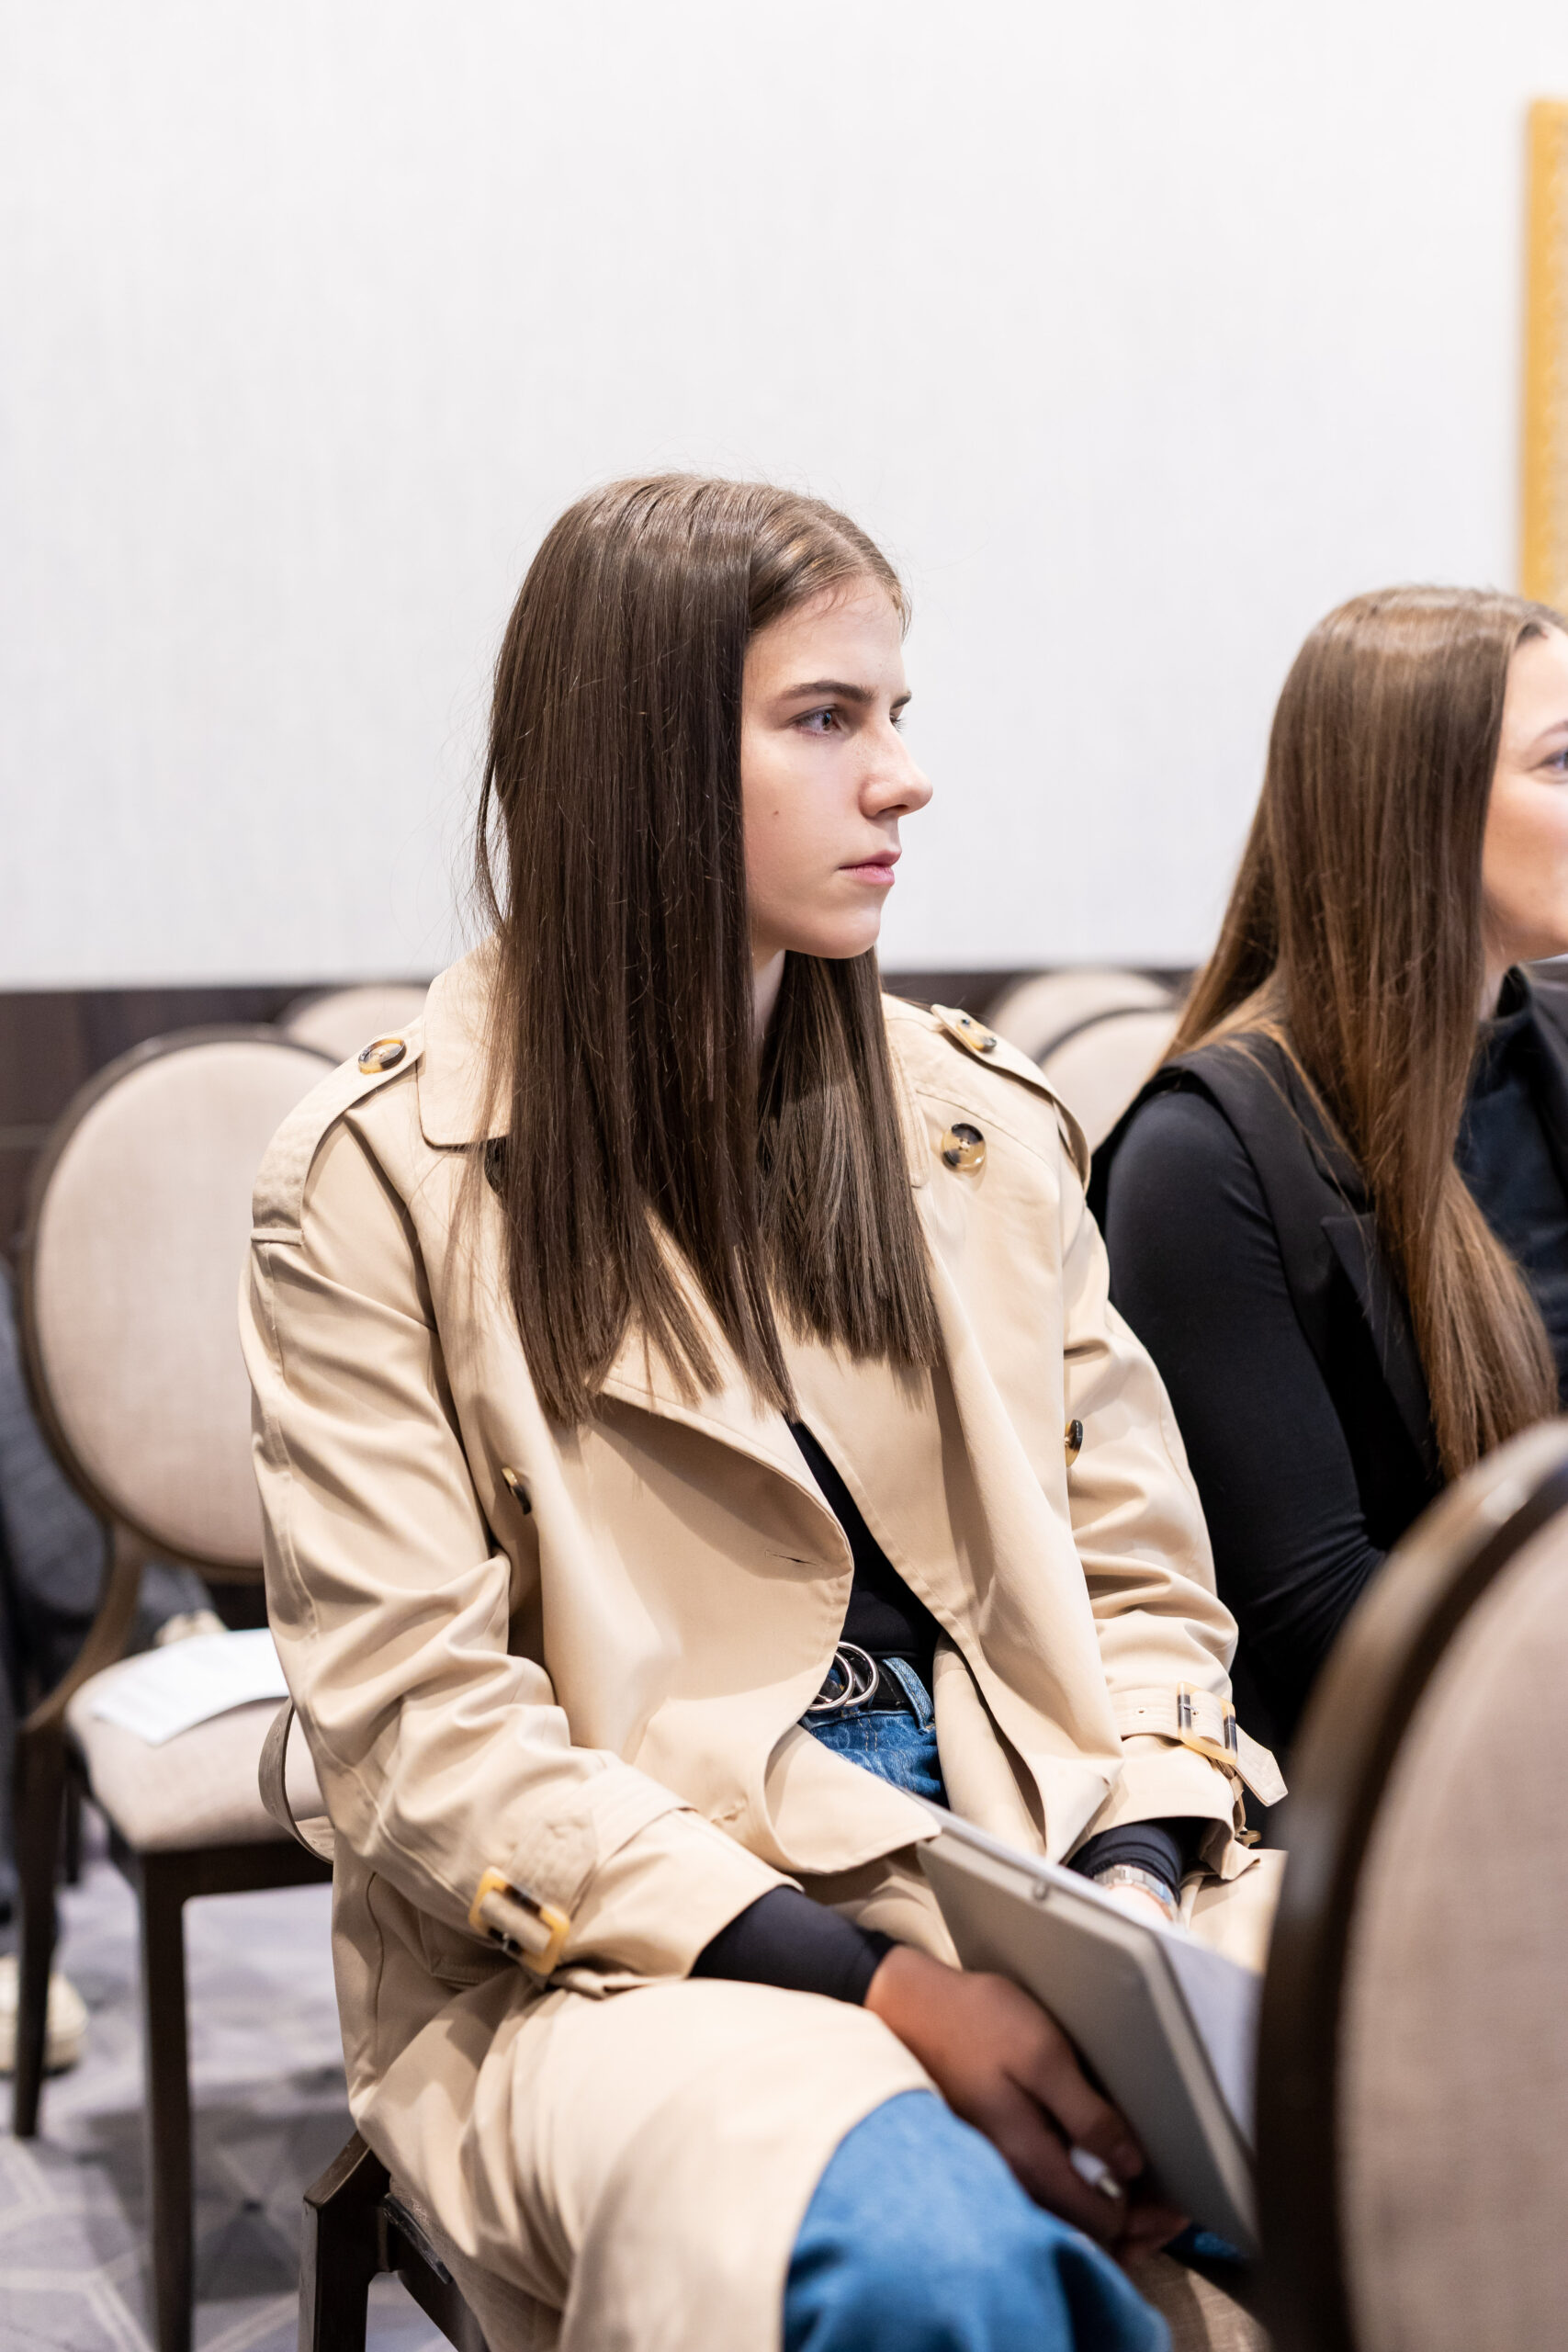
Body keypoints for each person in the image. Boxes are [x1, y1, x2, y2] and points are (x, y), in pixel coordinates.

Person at [242, 476, 1280, 2352]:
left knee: (1472, 2093)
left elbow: (1144, 1590)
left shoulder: (972, 1132)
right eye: (823, 718)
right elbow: (427, 1741)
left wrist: (1125, 1896)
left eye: (896, 713)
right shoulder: (381, 1184)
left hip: (1046, 1862)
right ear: (636, 767)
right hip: (631, 1957)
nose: (904, 778)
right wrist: (886, 1987)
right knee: (924, 2258)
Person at [1093, 585, 1568, 1757]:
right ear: (1420, 804)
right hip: (1406, 1778)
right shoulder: (1201, 1157)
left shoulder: (1552, 1048)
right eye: (1562, 763)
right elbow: (1318, 1612)